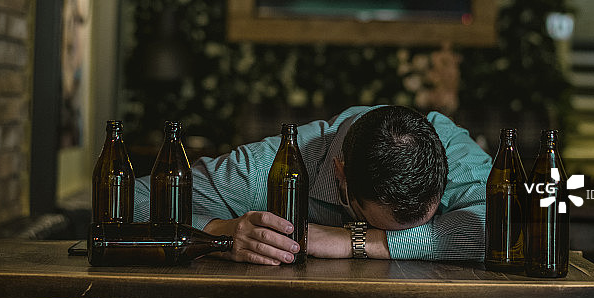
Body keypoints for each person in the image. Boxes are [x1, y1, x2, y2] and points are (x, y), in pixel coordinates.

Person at [133, 105, 491, 265]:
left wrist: (359, 241)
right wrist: (218, 233)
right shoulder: (267, 168)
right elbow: (135, 199)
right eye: (378, 223)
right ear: (341, 177)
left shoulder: (448, 146)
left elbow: (504, 224)